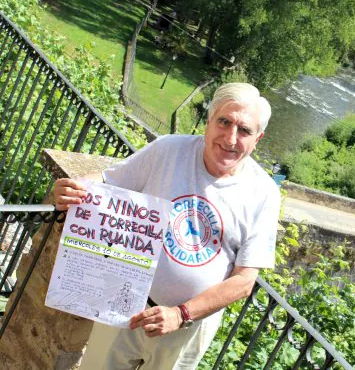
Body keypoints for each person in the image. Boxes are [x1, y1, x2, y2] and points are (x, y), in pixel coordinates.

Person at [53, 83, 281, 369]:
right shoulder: (170, 149)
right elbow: (108, 181)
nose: (231, 137)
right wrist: (75, 189)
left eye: (245, 130)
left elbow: (243, 281)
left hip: (188, 327)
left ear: (257, 138)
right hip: (124, 302)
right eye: (224, 121)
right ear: (209, 121)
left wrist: (180, 314)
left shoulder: (264, 194)